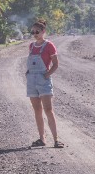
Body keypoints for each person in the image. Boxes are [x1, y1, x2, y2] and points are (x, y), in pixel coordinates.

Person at [25, 19, 64, 148]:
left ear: (43, 31)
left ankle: (56, 139)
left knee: (48, 110)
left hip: (43, 80)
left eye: (37, 31)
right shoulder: (31, 46)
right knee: (37, 110)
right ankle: (42, 139)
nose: (35, 33)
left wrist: (47, 75)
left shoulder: (49, 45)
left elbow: (56, 64)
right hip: (31, 81)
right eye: (33, 31)